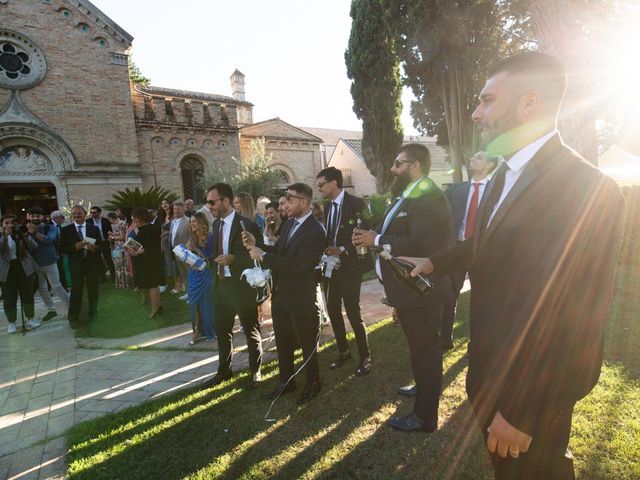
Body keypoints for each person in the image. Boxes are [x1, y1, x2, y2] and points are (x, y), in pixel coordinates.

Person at [400, 52, 625, 480]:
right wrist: (434, 261)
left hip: (528, 397)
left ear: (529, 103)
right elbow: (485, 244)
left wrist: (525, 411)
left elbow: (579, 318)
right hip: (489, 376)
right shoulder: (503, 176)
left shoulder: (588, 188)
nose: (475, 112)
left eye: (487, 100)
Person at [352, 143, 453, 433]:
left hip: (423, 289)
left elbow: (420, 243)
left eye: (399, 163)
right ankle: (424, 388)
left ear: (416, 165)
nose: (393, 168)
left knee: (426, 351)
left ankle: (425, 416)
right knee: (420, 349)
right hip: (410, 289)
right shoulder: (409, 193)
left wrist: (377, 238)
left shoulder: (429, 196)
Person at [244, 183, 325, 404]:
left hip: (300, 296)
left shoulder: (316, 231)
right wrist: (257, 244)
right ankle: (286, 381)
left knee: (307, 342)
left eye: (290, 199)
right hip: (280, 294)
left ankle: (313, 383)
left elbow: (298, 265)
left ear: (304, 202)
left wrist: (263, 256)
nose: (285, 203)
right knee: (283, 341)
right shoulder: (290, 223)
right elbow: (280, 252)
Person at [203, 183, 264, 388]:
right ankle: (224, 371)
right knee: (223, 331)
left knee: (250, 330)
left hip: (241, 287)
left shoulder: (247, 224)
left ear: (226, 201)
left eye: (212, 202)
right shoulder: (216, 225)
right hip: (220, 286)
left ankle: (255, 371)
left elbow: (258, 255)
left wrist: (234, 259)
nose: (209, 206)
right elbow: (217, 253)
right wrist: (204, 261)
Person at [317, 167, 373, 376]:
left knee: (353, 311)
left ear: (334, 183)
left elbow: (366, 233)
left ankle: (365, 356)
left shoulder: (357, 204)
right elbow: (331, 233)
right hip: (331, 268)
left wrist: (341, 249)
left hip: (351, 267)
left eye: (321, 184)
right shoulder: (328, 207)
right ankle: (343, 351)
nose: (319, 188)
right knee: (333, 310)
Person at [440, 151, 497, 350]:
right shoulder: (457, 190)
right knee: (449, 295)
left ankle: (480, 339)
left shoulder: (496, 190)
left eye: (479, 157)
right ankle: (445, 338)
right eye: (473, 156)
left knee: (483, 297)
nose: (472, 158)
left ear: (490, 165)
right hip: (457, 251)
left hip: (483, 252)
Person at [60, 205, 102, 328]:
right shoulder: (66, 230)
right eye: (74, 214)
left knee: (93, 290)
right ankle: (73, 317)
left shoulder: (93, 228)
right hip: (76, 265)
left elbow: (101, 245)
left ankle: (94, 314)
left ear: (85, 214)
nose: (77, 216)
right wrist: (74, 247)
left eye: (79, 213)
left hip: (91, 264)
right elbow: (61, 249)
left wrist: (95, 248)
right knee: (76, 292)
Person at [27, 207, 70, 322]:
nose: (35, 218)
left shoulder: (49, 227)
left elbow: (48, 240)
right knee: (42, 288)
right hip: (35, 264)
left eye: (38, 216)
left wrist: (34, 232)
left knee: (57, 286)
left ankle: (70, 306)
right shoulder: (25, 229)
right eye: (33, 216)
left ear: (42, 217)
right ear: (28, 217)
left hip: (50, 262)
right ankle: (51, 310)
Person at [1, 214, 40, 333]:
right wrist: (5, 236)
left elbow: (34, 247)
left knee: (27, 293)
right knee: (9, 296)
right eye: (6, 223)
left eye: (12, 223)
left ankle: (30, 318)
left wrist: (25, 235)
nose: (9, 225)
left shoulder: (20, 234)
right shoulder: (1, 236)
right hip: (7, 269)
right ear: (2, 225)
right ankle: (12, 322)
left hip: (23, 266)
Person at [185, 212, 216, 344]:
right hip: (193, 274)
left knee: (205, 304)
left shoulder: (210, 237)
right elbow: (190, 259)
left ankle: (207, 331)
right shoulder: (191, 238)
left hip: (206, 275)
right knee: (194, 304)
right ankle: (197, 331)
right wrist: (184, 252)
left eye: (194, 221)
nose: (192, 224)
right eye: (191, 221)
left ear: (201, 223)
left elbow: (211, 258)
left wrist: (196, 250)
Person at [128, 208, 164, 319]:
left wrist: (137, 252)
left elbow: (150, 247)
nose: (134, 220)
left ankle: (155, 308)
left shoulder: (148, 229)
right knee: (151, 284)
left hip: (150, 262)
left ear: (142, 218)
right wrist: (133, 250)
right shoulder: (144, 229)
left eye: (136, 218)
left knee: (153, 285)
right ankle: (157, 306)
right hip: (146, 261)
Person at [89, 206, 116, 283]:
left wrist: (110, 239)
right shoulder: (88, 221)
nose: (92, 214)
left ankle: (113, 277)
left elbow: (110, 231)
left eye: (94, 212)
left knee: (109, 260)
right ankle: (103, 278)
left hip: (105, 242)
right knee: (98, 261)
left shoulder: (105, 221)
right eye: (91, 212)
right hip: (95, 244)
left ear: (99, 212)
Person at [170, 201, 191, 299]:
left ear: (183, 209)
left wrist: (188, 248)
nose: (176, 211)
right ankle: (188, 292)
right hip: (176, 252)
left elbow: (192, 237)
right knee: (183, 273)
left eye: (178, 209)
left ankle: (193, 294)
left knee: (189, 273)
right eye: (174, 209)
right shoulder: (173, 221)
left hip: (186, 252)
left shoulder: (188, 221)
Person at [107, 212, 129, 289]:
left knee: (121, 265)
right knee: (117, 265)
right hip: (117, 247)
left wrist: (112, 238)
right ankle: (120, 283)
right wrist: (113, 235)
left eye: (109, 219)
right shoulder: (118, 224)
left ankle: (124, 283)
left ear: (112, 218)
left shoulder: (121, 224)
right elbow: (118, 235)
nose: (109, 221)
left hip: (121, 248)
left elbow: (122, 237)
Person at [159, 199, 176, 291]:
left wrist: (165, 234)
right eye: (162, 203)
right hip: (164, 242)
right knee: (168, 262)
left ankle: (179, 283)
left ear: (170, 204)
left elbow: (175, 229)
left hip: (172, 241)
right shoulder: (162, 216)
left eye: (166, 203)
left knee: (174, 262)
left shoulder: (173, 215)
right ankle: (173, 283)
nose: (164, 205)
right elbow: (161, 230)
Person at [50, 210, 68, 291]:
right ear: (56, 218)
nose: (64, 219)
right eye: (62, 217)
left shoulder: (60, 227)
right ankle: (51, 288)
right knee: (51, 272)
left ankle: (64, 287)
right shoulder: (48, 226)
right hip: (50, 253)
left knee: (61, 269)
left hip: (59, 253)